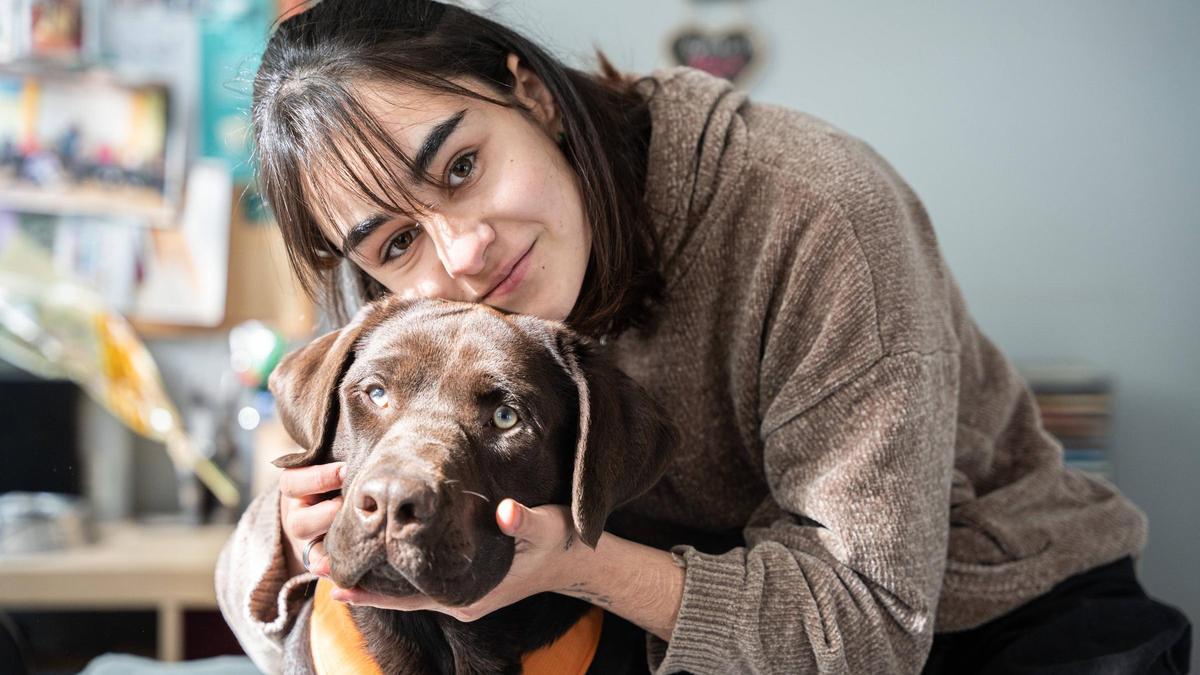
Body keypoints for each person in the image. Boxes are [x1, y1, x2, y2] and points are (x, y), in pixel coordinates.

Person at [215, 0, 1193, 673]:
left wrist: (583, 565)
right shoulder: (387, 285)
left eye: (464, 164)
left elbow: (873, 629)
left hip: (996, 620)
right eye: (396, 240)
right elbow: (280, 574)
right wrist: (291, 540)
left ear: (533, 96)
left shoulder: (814, 215)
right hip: (690, 634)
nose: (463, 253)